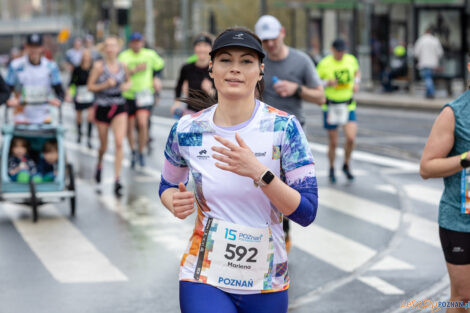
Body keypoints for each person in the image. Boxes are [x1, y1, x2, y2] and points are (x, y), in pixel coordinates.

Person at [159, 27, 318, 313]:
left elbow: (306, 212)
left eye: (246, 61)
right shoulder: (186, 130)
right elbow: (167, 185)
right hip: (204, 275)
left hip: (267, 279)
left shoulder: (284, 128)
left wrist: (260, 173)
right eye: (225, 60)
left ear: (260, 71)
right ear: (211, 69)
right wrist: (172, 200)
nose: (235, 69)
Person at [254, 15, 325, 251]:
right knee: (263, 183)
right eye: (265, 41)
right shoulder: (257, 61)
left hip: (293, 137)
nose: (270, 44)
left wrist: (297, 89)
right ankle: (269, 232)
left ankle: (283, 232)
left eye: (273, 38)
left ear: (282, 32)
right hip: (263, 134)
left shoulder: (301, 61)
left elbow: (320, 97)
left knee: (286, 185)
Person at [420, 60, 470, 313]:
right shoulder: (455, 113)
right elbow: (427, 167)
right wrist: (465, 159)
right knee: (463, 297)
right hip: (460, 221)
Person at [87, 36, 131, 197]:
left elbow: (128, 82)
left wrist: (126, 85)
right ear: (104, 50)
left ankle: (117, 180)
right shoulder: (99, 66)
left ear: (118, 49)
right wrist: (105, 85)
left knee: (119, 142)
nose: (111, 49)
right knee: (103, 146)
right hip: (102, 107)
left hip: (119, 105)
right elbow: (90, 86)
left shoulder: (123, 65)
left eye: (113, 46)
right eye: (108, 46)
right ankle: (99, 165)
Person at [316, 38, 361, 184]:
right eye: (338, 51)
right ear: (332, 50)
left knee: (351, 137)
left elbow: (357, 72)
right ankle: (331, 168)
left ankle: (346, 164)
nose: (341, 54)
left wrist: (356, 83)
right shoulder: (325, 63)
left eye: (343, 51)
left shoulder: (351, 60)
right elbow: (315, 81)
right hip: (331, 106)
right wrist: (327, 83)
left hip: (348, 105)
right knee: (333, 142)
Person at [118, 32, 165, 168]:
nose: (137, 44)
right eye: (134, 42)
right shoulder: (124, 56)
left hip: (145, 93)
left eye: (139, 42)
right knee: (130, 126)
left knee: (143, 123)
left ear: (142, 43)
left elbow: (160, 66)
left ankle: (141, 151)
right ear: (130, 43)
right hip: (129, 95)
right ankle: (133, 150)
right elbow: (119, 74)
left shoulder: (149, 55)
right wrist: (134, 71)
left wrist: (157, 78)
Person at [5, 33, 64, 124]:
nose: (34, 50)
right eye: (31, 46)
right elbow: (6, 90)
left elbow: (60, 91)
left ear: (42, 48)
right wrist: (9, 100)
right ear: (26, 47)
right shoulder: (15, 66)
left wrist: (58, 100)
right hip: (21, 117)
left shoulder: (51, 67)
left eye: (37, 46)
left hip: (45, 117)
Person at [171, 33, 215, 117]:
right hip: (191, 111)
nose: (202, 49)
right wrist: (177, 102)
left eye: (205, 45)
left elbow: (222, 95)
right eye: (198, 45)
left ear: (211, 48)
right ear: (194, 48)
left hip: (211, 113)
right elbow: (179, 85)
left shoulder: (215, 69)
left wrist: (211, 91)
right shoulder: (186, 68)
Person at [67, 49, 95, 148]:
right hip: (80, 94)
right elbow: (71, 82)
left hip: (90, 94)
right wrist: (69, 93)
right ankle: (79, 134)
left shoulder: (93, 68)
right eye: (85, 55)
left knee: (90, 117)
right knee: (79, 116)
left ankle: (89, 138)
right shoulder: (77, 69)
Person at [414, 27, 444, 99]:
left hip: (424, 62)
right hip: (433, 63)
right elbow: (440, 53)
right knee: (429, 78)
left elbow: (416, 52)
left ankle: (431, 92)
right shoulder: (435, 40)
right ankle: (428, 94)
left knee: (427, 78)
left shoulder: (421, 40)